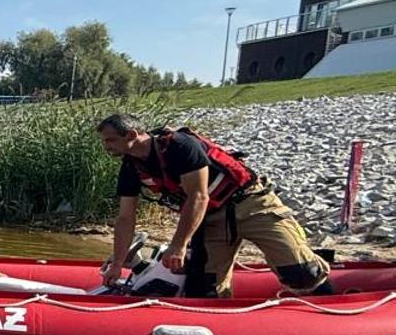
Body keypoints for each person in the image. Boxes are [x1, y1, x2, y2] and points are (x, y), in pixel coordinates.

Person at [96, 113, 332, 298]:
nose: (107, 146)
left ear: (132, 135)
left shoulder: (180, 145)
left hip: (250, 204)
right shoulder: (131, 167)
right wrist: (117, 264)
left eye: (110, 140)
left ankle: (330, 298)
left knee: (301, 272)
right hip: (211, 219)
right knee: (204, 290)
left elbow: (198, 197)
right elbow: (126, 217)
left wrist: (178, 246)